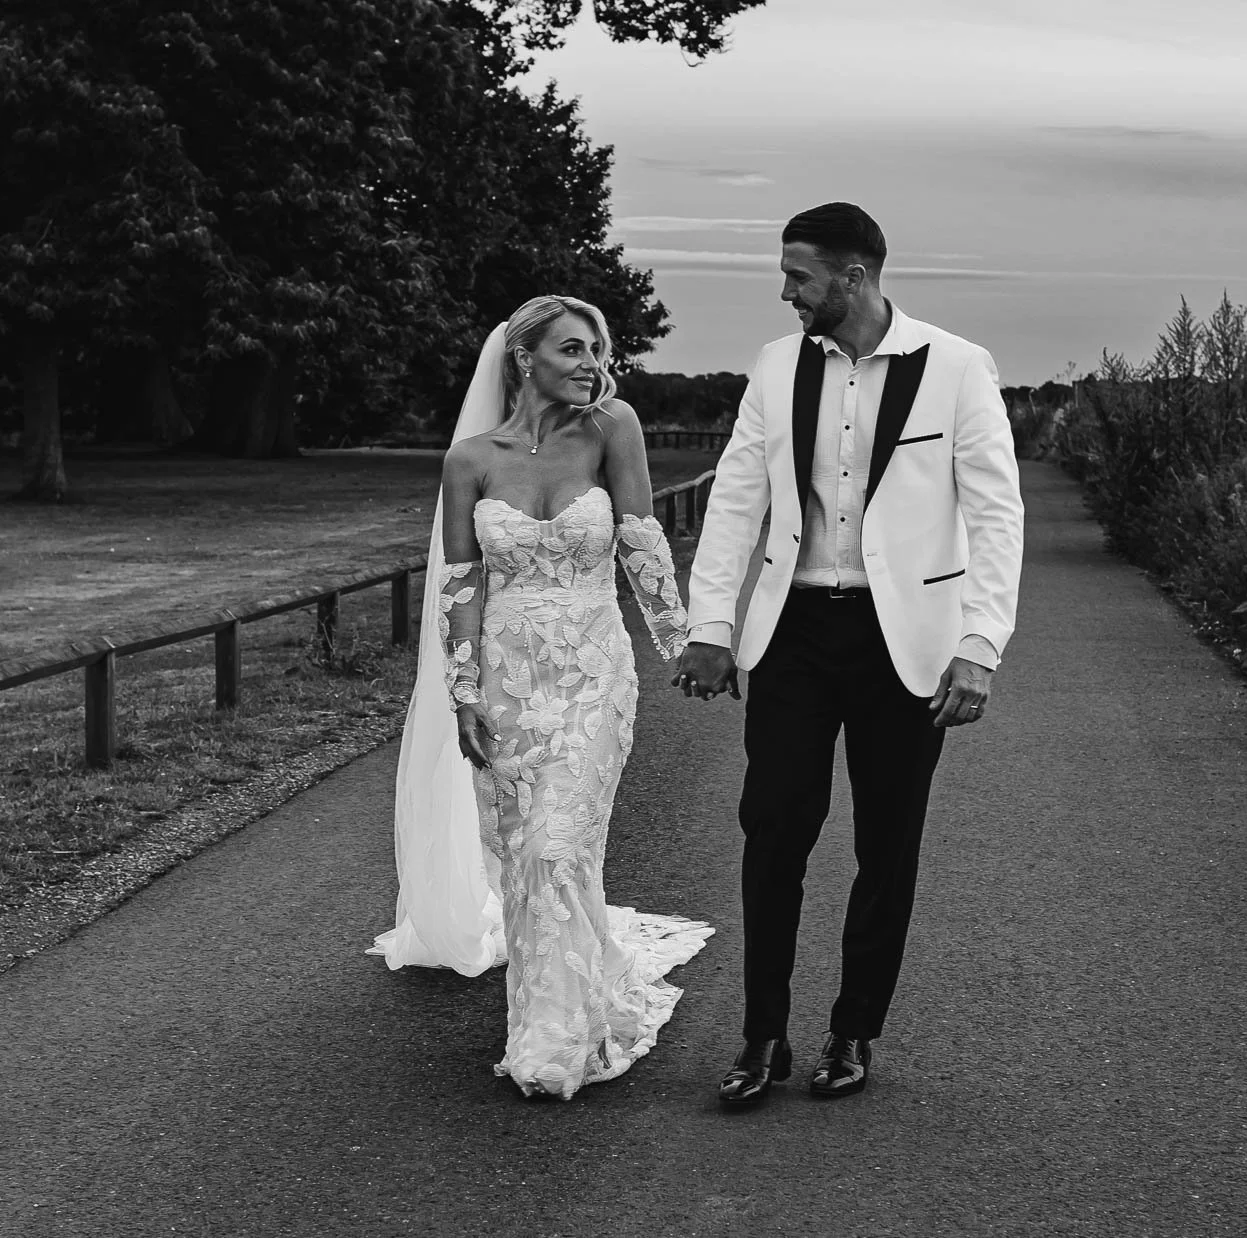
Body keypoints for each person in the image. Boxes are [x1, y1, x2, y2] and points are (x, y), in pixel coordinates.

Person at [675, 203, 1025, 1107]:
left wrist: (979, 644)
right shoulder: (774, 365)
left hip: (902, 642)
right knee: (773, 833)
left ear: (854, 277)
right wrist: (711, 625)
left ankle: (853, 1029)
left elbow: (994, 516)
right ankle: (762, 1036)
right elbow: (736, 501)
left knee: (886, 844)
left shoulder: (954, 367)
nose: (785, 292)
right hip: (792, 632)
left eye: (799, 275)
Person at [370, 294, 712, 1100]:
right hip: (507, 681)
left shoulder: (611, 428)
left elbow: (640, 541)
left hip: (595, 672)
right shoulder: (470, 461)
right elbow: (459, 586)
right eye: (573, 349)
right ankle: (566, 990)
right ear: (524, 357)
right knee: (531, 858)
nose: (594, 364)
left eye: (599, 349)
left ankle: (553, 1039)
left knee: (561, 845)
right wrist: (463, 694)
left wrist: (686, 642)